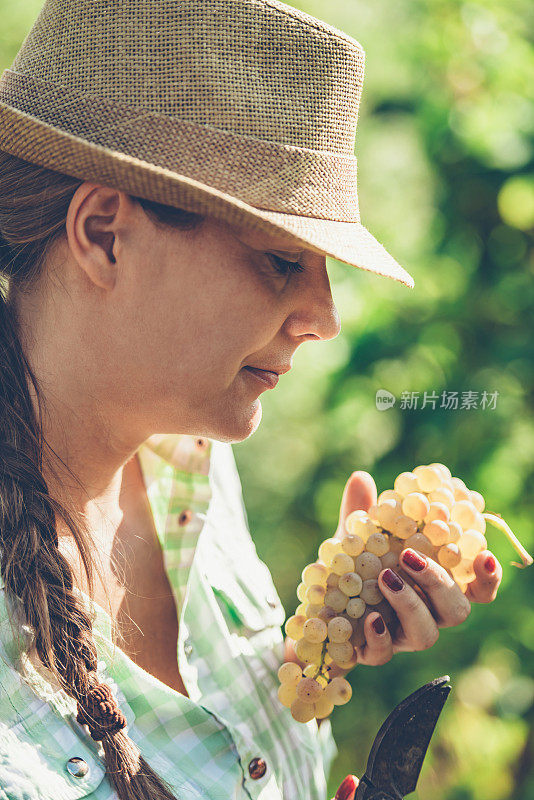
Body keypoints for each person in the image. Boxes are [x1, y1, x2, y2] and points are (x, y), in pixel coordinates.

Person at [0, 1, 503, 799]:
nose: (327, 319)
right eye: (280, 262)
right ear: (103, 234)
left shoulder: (195, 466)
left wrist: (319, 650)